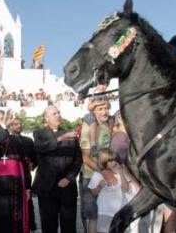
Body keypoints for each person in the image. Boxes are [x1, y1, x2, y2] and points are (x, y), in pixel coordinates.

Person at [33, 105, 83, 233]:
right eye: (54, 113)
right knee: (48, 224)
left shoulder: (71, 135)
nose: (58, 115)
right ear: (46, 118)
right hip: (46, 187)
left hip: (67, 186)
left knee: (69, 224)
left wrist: (69, 178)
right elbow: (40, 148)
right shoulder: (39, 133)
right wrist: (61, 138)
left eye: (59, 112)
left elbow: (78, 160)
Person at [80, 99, 114, 233]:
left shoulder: (108, 126)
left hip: (107, 177)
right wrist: (104, 172)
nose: (104, 111)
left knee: (107, 215)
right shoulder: (87, 128)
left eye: (106, 108)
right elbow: (86, 158)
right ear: (93, 112)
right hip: (91, 178)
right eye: (100, 109)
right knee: (93, 217)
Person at [88, 148, 140, 233]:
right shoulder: (99, 173)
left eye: (114, 159)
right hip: (104, 211)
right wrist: (100, 187)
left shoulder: (122, 169)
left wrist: (121, 173)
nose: (114, 162)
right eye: (110, 160)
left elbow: (125, 189)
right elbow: (93, 191)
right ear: (103, 162)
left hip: (120, 211)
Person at [9, 117, 37, 231]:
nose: (19, 126)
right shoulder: (7, 140)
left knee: (28, 201)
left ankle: (29, 225)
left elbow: (34, 156)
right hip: (12, 175)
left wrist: (32, 164)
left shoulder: (28, 141)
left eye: (20, 123)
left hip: (26, 175)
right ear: (10, 126)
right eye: (16, 124)